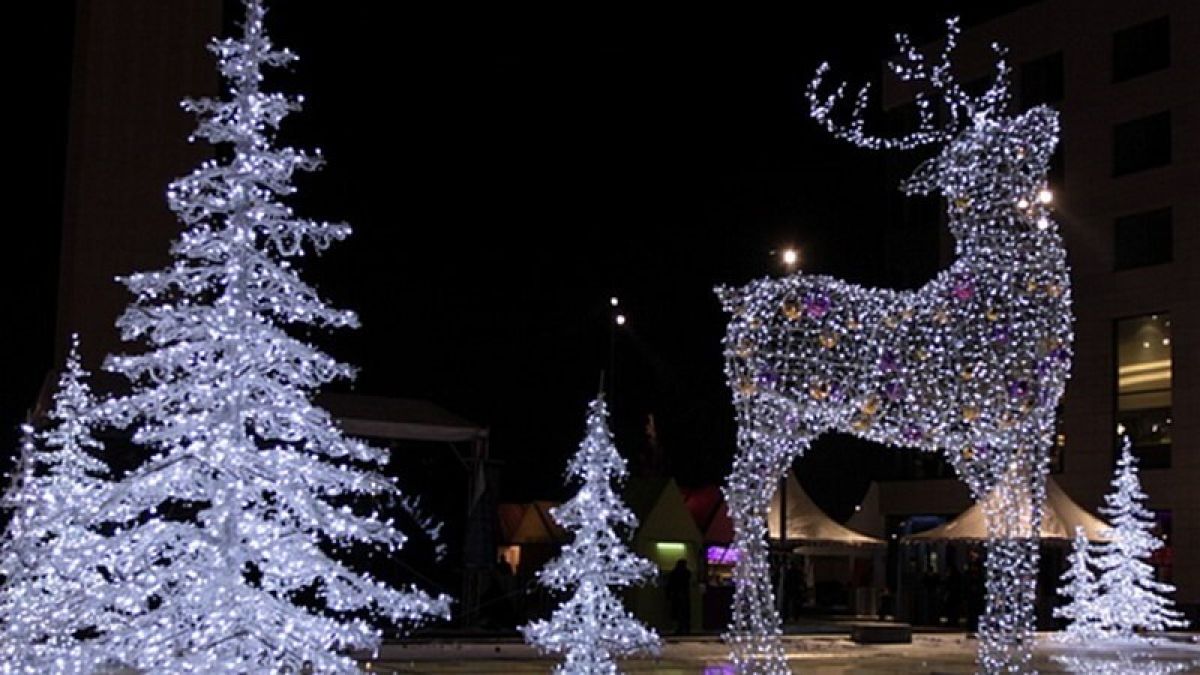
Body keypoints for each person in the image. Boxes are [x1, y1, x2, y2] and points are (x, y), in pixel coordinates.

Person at [666, 558, 692, 635]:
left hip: (676, 594)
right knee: (684, 612)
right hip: (684, 594)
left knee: (677, 613)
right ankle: (686, 628)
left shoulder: (674, 573)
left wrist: (668, 595)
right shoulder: (687, 573)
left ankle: (679, 628)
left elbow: (670, 585)